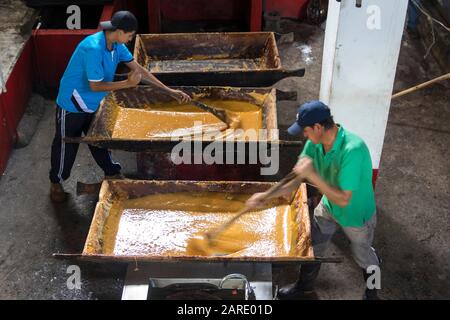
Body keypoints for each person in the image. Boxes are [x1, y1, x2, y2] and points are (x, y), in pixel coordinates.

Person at [49, 11, 191, 202]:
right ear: (119, 31)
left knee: (100, 139)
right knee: (66, 144)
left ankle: (112, 172)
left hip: (94, 101)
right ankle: (56, 183)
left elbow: (140, 71)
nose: (130, 39)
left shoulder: (117, 45)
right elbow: (95, 85)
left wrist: (170, 91)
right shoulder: (92, 48)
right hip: (73, 102)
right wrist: (127, 84)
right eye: (130, 35)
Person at [246, 100, 381, 300]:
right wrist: (264, 197)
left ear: (318, 127)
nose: (304, 135)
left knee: (364, 257)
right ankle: (304, 287)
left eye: (306, 130)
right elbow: (294, 181)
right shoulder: (314, 144)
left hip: (355, 216)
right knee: (313, 246)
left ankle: (373, 291)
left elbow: (344, 199)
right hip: (328, 207)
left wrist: (313, 175)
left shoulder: (353, 150)